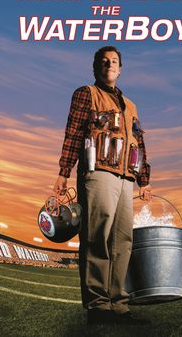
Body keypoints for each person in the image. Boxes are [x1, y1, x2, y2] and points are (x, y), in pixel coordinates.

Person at [54, 46, 151, 324]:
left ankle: (118, 302)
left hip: (126, 178)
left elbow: (139, 143)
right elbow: (72, 132)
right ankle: (98, 305)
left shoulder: (131, 105)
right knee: (98, 236)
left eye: (114, 61)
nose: (110, 64)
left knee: (123, 240)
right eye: (104, 61)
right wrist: (63, 172)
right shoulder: (86, 93)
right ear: (96, 67)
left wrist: (144, 180)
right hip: (97, 173)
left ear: (120, 69)